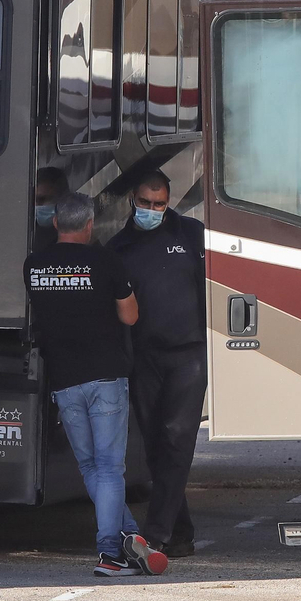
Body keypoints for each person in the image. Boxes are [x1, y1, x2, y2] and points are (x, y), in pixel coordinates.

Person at [24, 191, 168, 578]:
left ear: (55, 223)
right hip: (105, 377)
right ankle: (110, 554)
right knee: (108, 469)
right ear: (89, 226)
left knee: (91, 466)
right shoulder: (105, 261)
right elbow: (130, 316)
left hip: (64, 380)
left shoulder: (33, 265)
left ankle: (130, 537)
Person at [108, 170, 207, 559]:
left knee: (177, 441)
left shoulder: (191, 234)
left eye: (160, 204)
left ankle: (156, 536)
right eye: (146, 204)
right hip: (144, 357)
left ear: (169, 202)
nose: (152, 210)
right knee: (155, 448)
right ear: (133, 199)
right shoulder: (119, 247)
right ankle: (181, 535)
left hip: (190, 354)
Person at [32, 166, 68, 250]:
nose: (36, 205)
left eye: (42, 199)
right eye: (32, 200)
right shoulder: (25, 233)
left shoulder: (77, 237)